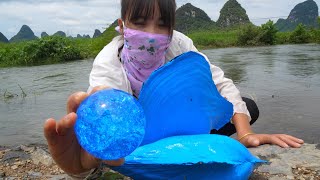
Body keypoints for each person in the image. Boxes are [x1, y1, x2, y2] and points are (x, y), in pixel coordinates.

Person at [44, 0, 304, 177]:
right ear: (122, 25)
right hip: (141, 133)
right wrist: (88, 166)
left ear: (171, 27)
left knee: (249, 106)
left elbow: (220, 83)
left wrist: (245, 134)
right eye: (140, 22)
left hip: (184, 121)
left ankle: (199, 142)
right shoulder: (108, 62)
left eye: (161, 25)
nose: (151, 33)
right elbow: (107, 111)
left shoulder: (179, 43)